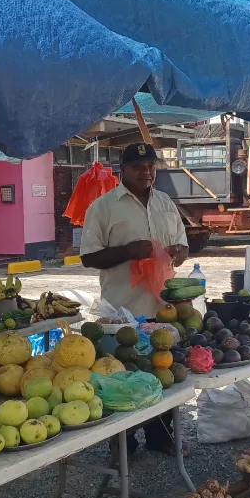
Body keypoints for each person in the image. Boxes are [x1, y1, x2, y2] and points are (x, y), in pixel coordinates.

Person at [80, 142, 189, 456]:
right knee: (125, 377)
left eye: (151, 166)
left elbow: (181, 245)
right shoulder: (102, 207)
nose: (147, 172)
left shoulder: (166, 202)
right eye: (139, 167)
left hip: (163, 308)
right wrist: (128, 252)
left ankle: (161, 436)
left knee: (163, 372)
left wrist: (181, 252)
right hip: (123, 313)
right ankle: (123, 445)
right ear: (122, 170)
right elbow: (88, 257)